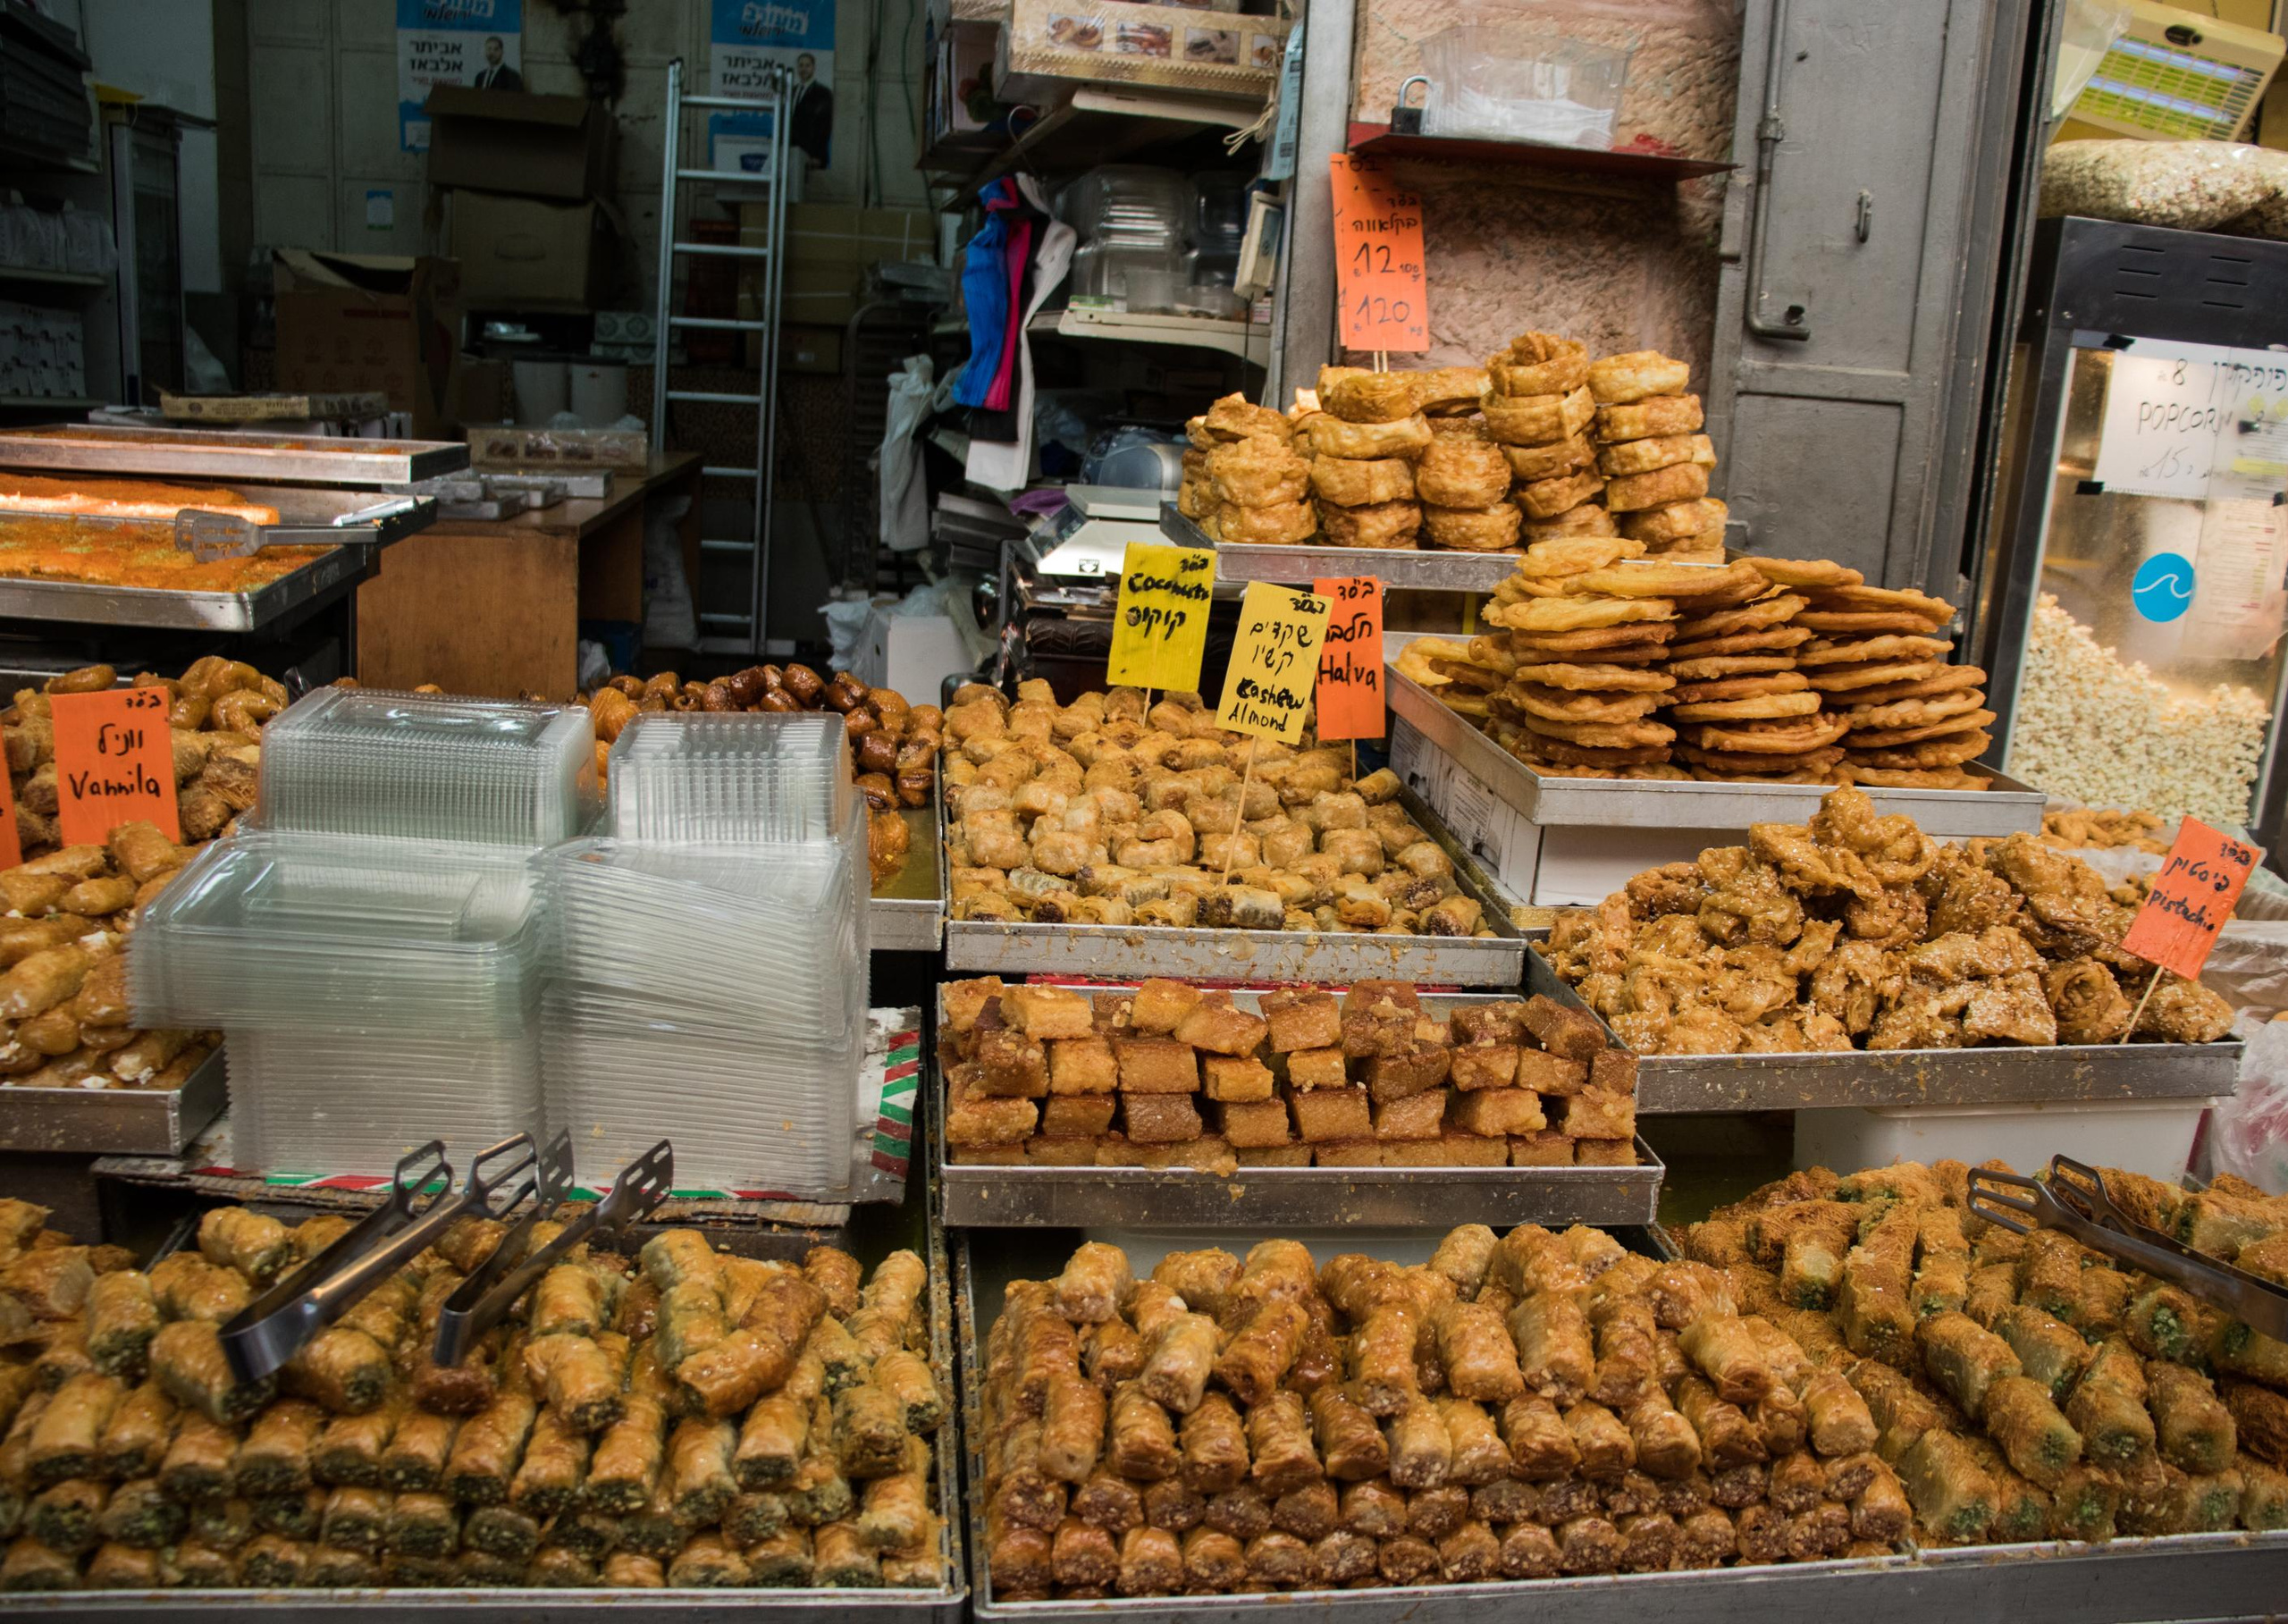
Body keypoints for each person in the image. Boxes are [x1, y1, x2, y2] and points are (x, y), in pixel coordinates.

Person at [789, 52, 832, 169]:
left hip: (812, 155)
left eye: (807, 66)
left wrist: (817, 155)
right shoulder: (792, 91)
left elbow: (824, 126)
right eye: (801, 65)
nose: (804, 69)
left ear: (813, 68)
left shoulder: (823, 93)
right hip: (793, 152)